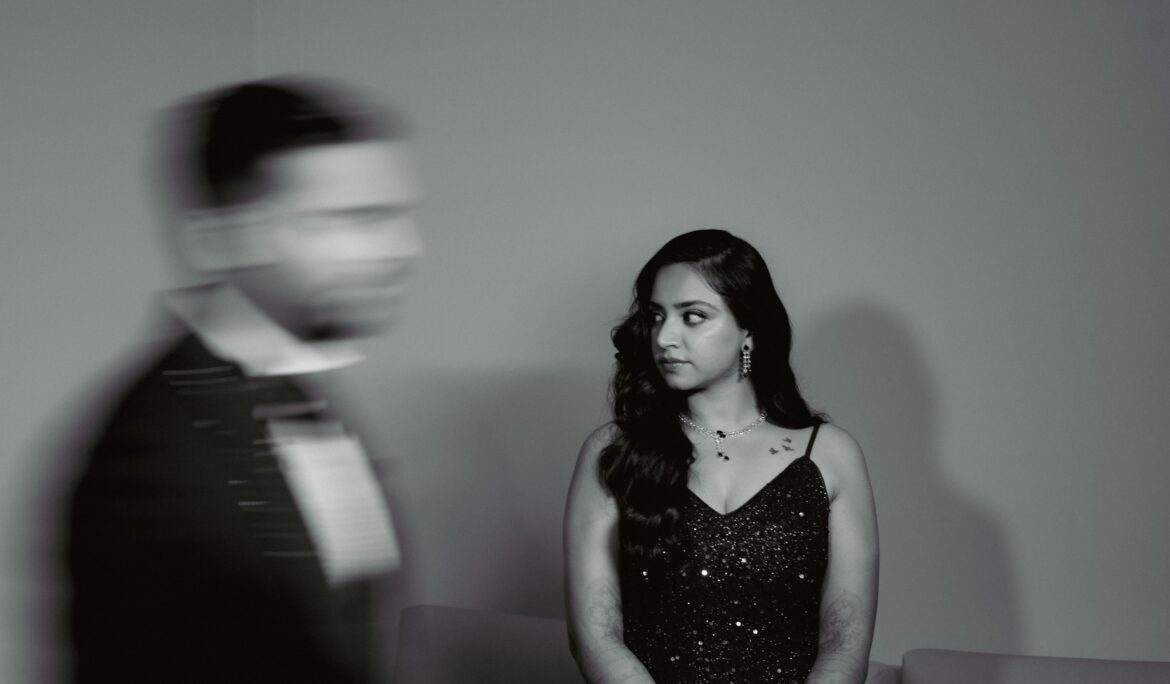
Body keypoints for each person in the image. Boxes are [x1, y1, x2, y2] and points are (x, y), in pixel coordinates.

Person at [62, 77, 423, 683]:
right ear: (218, 240)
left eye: (399, 215)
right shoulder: (151, 459)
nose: (403, 248)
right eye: (352, 219)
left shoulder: (295, 390)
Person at [564, 229, 878, 683]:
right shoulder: (613, 450)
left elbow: (844, 645)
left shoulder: (829, 455)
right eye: (656, 316)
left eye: (692, 316)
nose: (664, 337)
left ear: (748, 328)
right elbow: (594, 636)